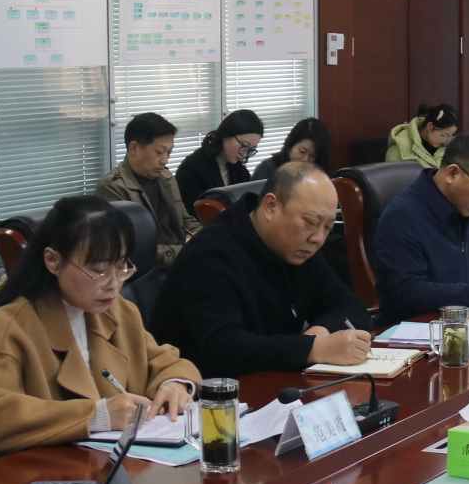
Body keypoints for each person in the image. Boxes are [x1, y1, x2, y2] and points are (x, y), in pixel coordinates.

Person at [0, 196, 200, 467]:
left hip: (103, 468)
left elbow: (162, 361)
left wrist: (174, 384)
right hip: (28, 477)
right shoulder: (8, 325)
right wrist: (97, 415)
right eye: (99, 270)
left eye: (122, 266)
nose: (114, 283)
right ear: (52, 261)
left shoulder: (118, 311)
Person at [154, 163, 372, 376]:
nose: (318, 238)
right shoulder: (211, 254)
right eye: (310, 221)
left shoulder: (297, 247)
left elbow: (351, 307)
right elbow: (223, 348)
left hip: (274, 381)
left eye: (327, 227)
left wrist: (321, 332)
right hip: (202, 389)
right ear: (270, 207)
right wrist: (312, 349)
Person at [370, 128, 469, 321]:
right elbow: (407, 292)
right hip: (416, 329)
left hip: (460, 323)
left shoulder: (463, 205)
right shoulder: (402, 216)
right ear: (452, 173)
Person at [96, 112, 199, 269]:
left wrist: (203, 236)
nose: (165, 160)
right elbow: (134, 249)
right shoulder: (113, 187)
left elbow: (185, 221)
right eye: (159, 152)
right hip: (150, 272)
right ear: (134, 148)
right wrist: (185, 251)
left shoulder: (166, 177)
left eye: (169, 152)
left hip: (183, 259)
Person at [175, 109, 264, 211]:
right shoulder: (191, 169)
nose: (244, 153)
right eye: (244, 145)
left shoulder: (239, 169)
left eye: (251, 149)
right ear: (226, 134)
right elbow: (193, 214)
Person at [253, 117, 332, 182]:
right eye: (302, 151)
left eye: (312, 156)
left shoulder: (318, 174)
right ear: (290, 145)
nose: (305, 159)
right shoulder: (267, 169)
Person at [385, 103, 458, 169]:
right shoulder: (398, 150)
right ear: (430, 127)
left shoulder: (448, 148)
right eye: (443, 135)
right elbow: (394, 178)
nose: (445, 142)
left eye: (450, 136)